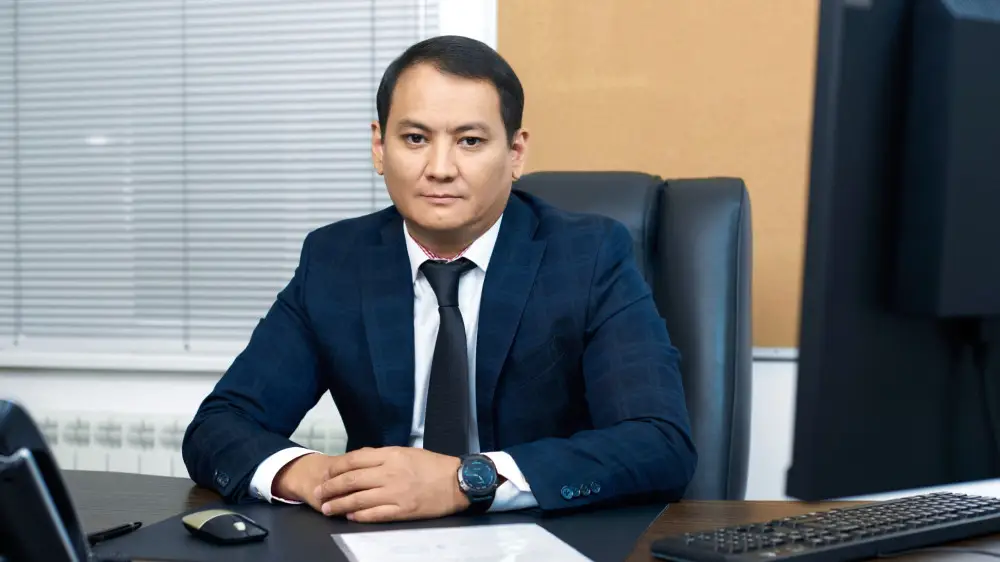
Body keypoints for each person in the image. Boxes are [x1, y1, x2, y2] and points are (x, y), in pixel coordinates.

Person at [181, 35, 696, 524]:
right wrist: (316, 476)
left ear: (515, 153)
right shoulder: (336, 260)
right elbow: (219, 425)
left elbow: (659, 442)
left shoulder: (588, 256)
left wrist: (463, 482)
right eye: (415, 138)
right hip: (379, 536)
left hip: (539, 536)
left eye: (470, 141)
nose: (440, 168)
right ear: (379, 147)